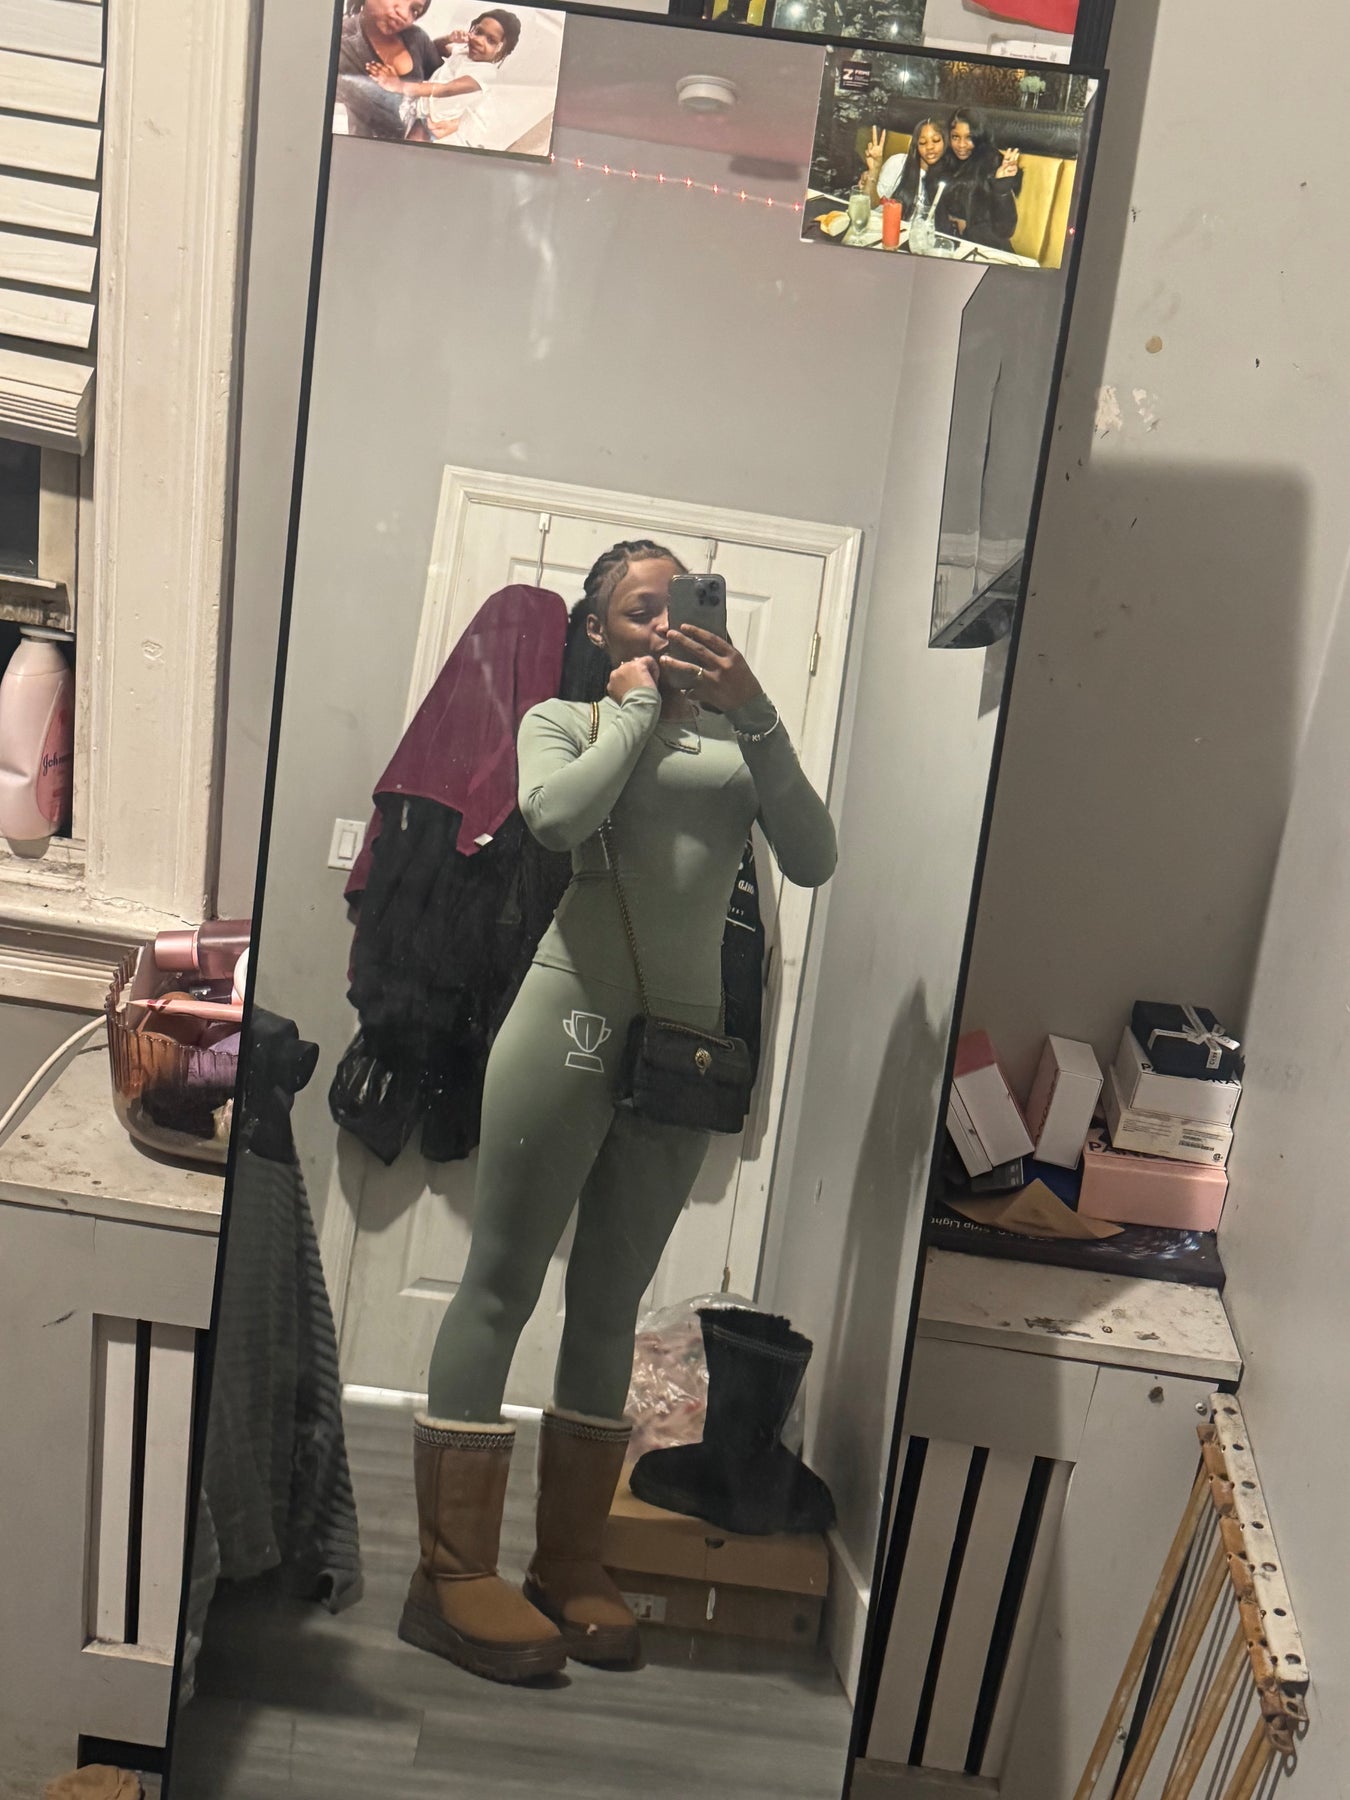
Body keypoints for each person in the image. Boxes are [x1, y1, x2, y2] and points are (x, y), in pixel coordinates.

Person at [398, 541, 837, 1686]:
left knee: (608, 1308)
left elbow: (815, 855)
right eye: (640, 611)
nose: (664, 626)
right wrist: (638, 710)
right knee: (501, 1282)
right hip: (570, 1021)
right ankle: (450, 1574)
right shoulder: (567, 719)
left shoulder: (740, 745)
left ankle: (567, 1563)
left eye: (680, 606)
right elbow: (552, 817)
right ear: (598, 633)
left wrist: (758, 711)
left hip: (682, 1054)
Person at [367, 9, 522, 143]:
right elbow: (434, 48)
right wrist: (449, 39)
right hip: (420, 103)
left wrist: (399, 85)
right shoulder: (464, 52)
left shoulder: (486, 73)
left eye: (490, 40)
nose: (479, 41)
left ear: (502, 51)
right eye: (478, 32)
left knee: (410, 145)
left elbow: (446, 89)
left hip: (433, 120)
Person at [336, 0, 446, 140]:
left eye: (414, 10)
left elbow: (446, 84)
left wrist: (452, 123)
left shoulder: (417, 37)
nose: (404, 14)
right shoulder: (339, 44)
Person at [943, 107, 1023, 254]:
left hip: (987, 251)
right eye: (955, 137)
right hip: (951, 246)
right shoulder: (946, 161)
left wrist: (1001, 186)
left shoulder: (992, 165)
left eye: (969, 137)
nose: (961, 145)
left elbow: (1005, 230)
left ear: (980, 138)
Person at [861, 117, 952, 226]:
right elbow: (871, 204)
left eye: (936, 140)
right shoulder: (898, 163)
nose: (929, 147)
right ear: (916, 145)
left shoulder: (949, 175)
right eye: (922, 143)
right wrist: (874, 171)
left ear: (946, 141)